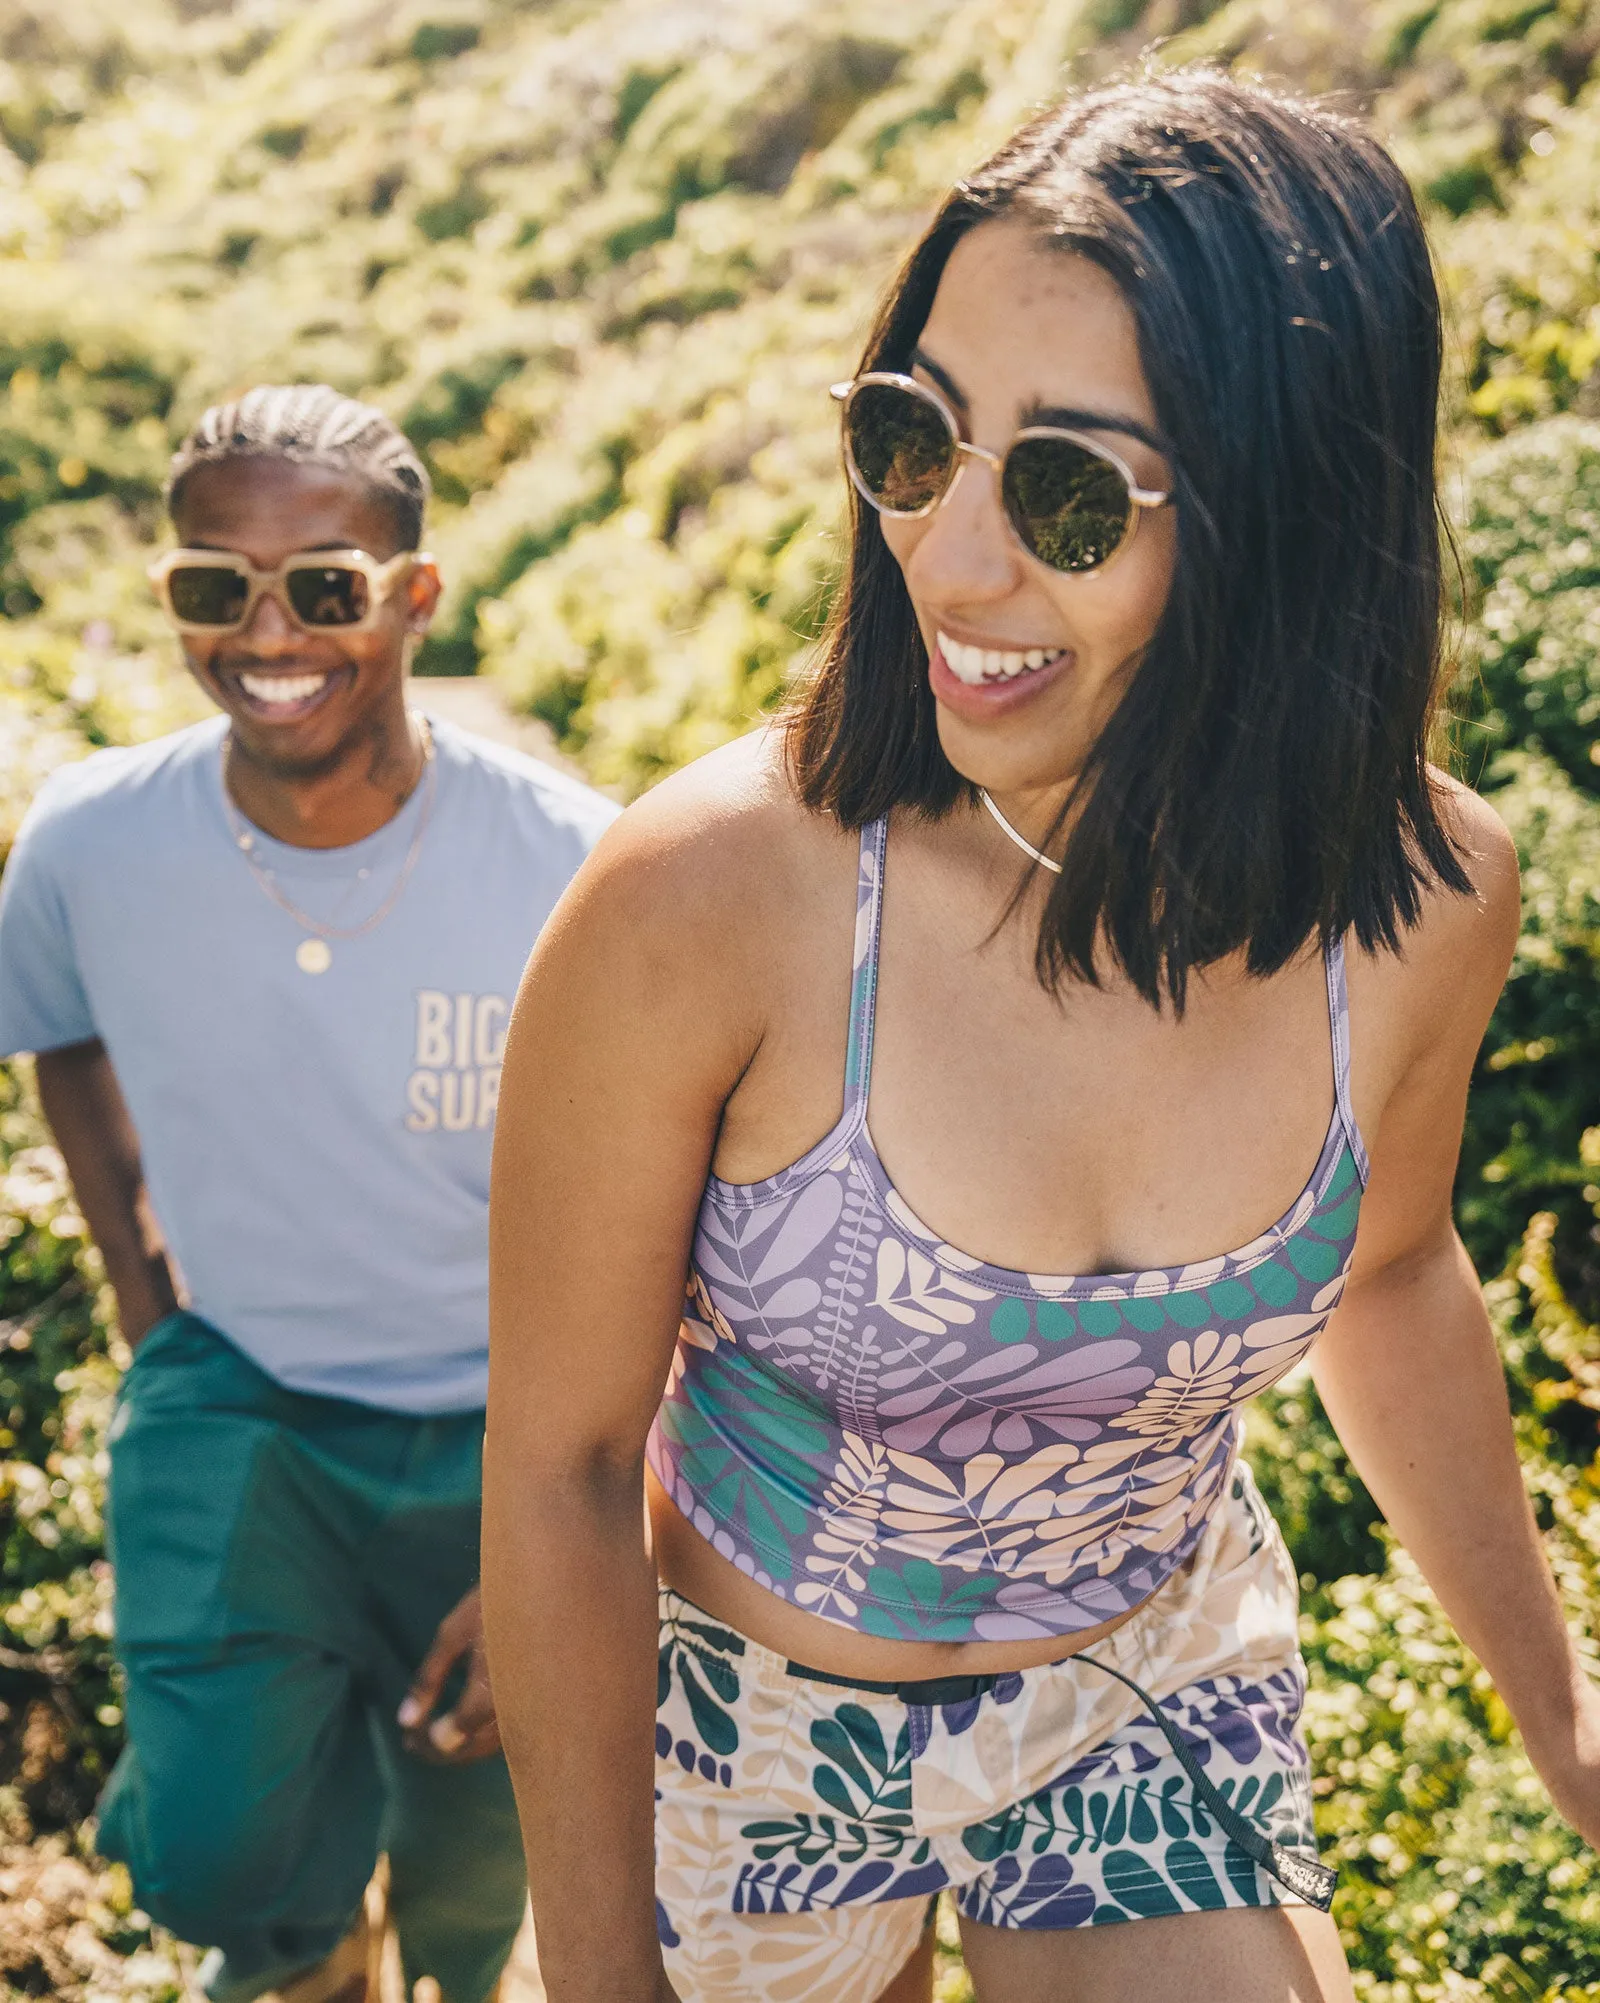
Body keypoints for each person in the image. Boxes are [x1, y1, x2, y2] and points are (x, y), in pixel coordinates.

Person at [480, 71, 1600, 2003]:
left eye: (1070, 491)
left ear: (1286, 514)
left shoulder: (1420, 901)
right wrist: (603, 1977)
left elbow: (1395, 1275)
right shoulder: (712, 900)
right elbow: (566, 1458)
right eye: (914, 439)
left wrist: (1568, 1721)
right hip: (746, 1723)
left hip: (1137, 1670)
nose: (954, 558)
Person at [0, 385, 617, 2003]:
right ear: (174, 600)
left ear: (414, 596)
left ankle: (451, 1974)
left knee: (486, 1843)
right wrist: (150, 1307)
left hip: (509, 1428)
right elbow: (60, 1036)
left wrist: (563, 1516)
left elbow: (666, 1214)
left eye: (325, 585)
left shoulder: (574, 865)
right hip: (244, 1399)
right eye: (218, 585)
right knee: (214, 1848)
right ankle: (307, 1955)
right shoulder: (88, 845)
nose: (268, 629)